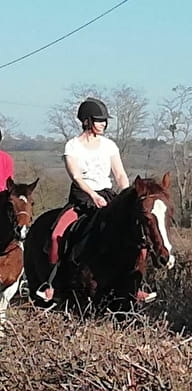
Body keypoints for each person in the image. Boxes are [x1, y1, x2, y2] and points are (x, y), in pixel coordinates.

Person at [37, 97, 156, 303]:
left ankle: (137, 285)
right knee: (57, 233)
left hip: (108, 195)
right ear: (86, 121)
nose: (104, 124)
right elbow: (76, 176)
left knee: (137, 235)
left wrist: (127, 196)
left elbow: (119, 175)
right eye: (99, 120)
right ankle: (52, 283)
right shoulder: (72, 146)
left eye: (104, 121)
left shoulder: (109, 146)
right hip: (83, 197)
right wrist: (92, 195)